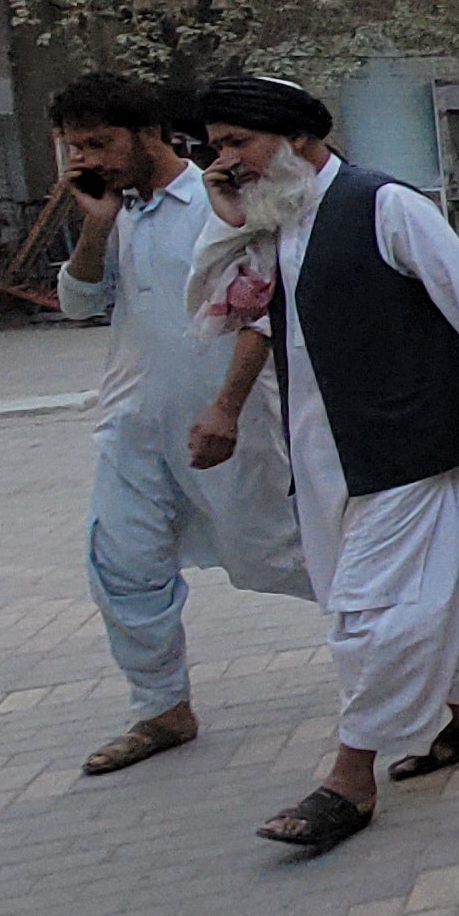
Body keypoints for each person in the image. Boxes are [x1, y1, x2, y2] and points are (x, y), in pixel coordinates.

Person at [188, 76, 459, 849]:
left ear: (295, 138)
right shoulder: (274, 218)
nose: (226, 161)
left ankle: (350, 777)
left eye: (238, 144)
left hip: (413, 446)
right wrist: (228, 217)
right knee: (400, 597)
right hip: (326, 453)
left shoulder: (384, 204)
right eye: (216, 148)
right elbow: (218, 307)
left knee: (372, 613)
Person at [50, 73, 310, 776]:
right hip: (133, 425)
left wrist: (226, 408)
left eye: (100, 143)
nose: (88, 160)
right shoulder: (119, 213)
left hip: (227, 424)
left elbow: (260, 306)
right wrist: (96, 229)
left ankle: (431, 663)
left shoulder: (218, 203)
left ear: (150, 135)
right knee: (121, 563)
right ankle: (161, 707)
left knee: (288, 556)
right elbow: (77, 305)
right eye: (75, 147)